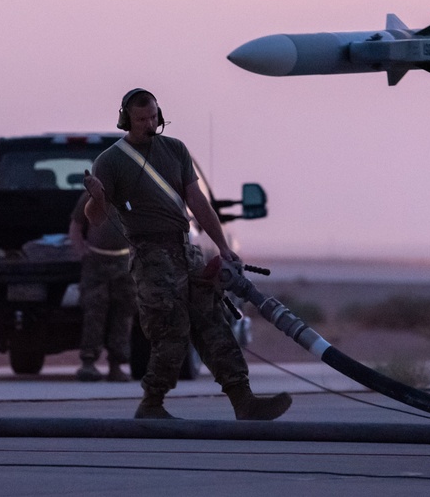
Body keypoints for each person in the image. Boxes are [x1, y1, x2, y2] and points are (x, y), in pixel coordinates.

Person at [82, 88, 292, 420]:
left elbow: (197, 202)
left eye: (153, 117)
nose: (149, 125)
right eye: (141, 120)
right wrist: (96, 197)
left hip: (183, 249)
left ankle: (243, 399)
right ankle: (152, 403)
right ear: (126, 120)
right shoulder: (110, 161)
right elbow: (94, 218)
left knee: (212, 322)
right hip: (150, 256)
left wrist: (223, 247)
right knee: (170, 329)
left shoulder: (176, 150)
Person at [68, 189, 135, 382]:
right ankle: (88, 362)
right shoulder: (91, 195)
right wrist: (81, 251)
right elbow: (76, 225)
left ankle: (116, 364)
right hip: (96, 262)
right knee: (94, 312)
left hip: (124, 262)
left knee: (123, 314)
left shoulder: (132, 193)